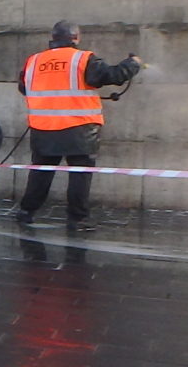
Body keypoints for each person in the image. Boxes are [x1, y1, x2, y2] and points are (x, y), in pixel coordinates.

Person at [16, 20, 140, 228]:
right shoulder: (83, 58)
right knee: (80, 176)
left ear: (53, 38)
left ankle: (26, 211)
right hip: (79, 129)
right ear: (76, 38)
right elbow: (112, 75)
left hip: (43, 128)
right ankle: (77, 218)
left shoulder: (34, 61)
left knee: (40, 173)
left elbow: (24, 88)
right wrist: (132, 64)